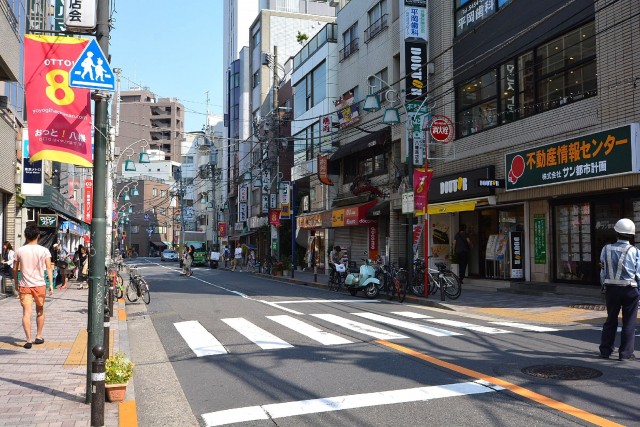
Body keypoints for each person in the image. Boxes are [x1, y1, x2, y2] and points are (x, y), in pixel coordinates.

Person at [599, 218, 640, 361]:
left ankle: (605, 350)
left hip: (612, 289)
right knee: (629, 322)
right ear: (631, 235)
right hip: (630, 290)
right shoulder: (635, 251)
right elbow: (638, 274)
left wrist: (603, 286)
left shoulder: (606, 249)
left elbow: (603, 272)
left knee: (611, 320)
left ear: (616, 232)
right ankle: (625, 354)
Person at [13, 224, 54, 349]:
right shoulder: (44, 250)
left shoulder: (19, 250)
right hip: (40, 285)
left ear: (26, 236)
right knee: (40, 310)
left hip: (24, 286)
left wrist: (16, 282)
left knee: (26, 312)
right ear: (38, 236)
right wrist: (51, 284)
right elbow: (48, 268)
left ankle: (28, 340)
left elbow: (15, 269)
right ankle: (39, 336)